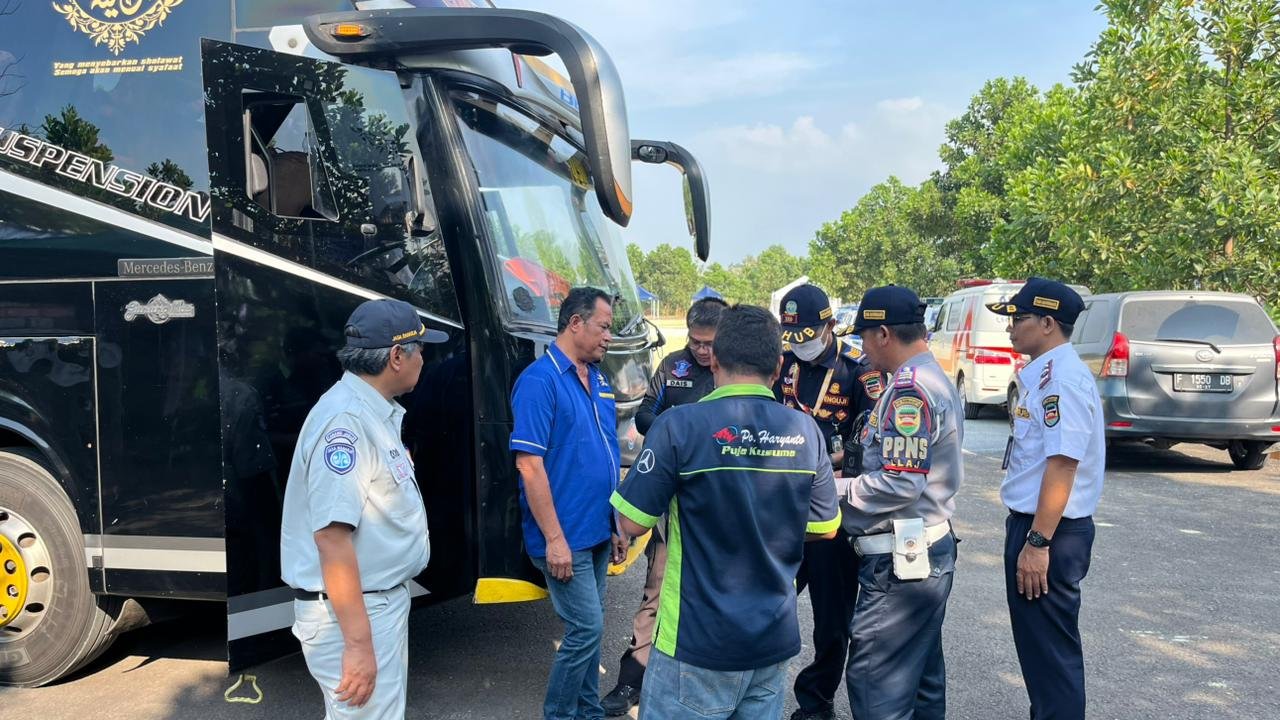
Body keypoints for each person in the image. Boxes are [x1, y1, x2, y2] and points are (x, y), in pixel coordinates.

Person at [610, 303, 842, 720]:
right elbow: (825, 527)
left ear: (714, 358)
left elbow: (630, 521)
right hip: (770, 645)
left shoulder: (678, 426)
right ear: (777, 368)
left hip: (694, 643)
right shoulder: (804, 431)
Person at [280, 298, 448, 718]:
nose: (424, 358)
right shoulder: (347, 424)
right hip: (356, 615)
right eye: (420, 348)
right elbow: (332, 538)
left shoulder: (370, 412)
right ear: (396, 356)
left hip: (374, 605)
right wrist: (358, 645)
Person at [841, 285, 963, 720]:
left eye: (863, 337)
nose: (862, 347)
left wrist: (832, 491)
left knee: (877, 683)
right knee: (920, 684)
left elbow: (899, 484)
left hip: (901, 561)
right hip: (921, 552)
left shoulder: (910, 391)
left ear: (884, 334)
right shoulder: (930, 378)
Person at [602, 297, 727, 716]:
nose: (702, 351)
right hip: (673, 498)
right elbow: (643, 418)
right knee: (657, 589)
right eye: (695, 341)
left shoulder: (734, 369)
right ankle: (631, 680)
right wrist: (685, 431)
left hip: (722, 503)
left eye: (709, 344)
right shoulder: (674, 366)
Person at [986, 278, 1103, 720]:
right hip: (1039, 525)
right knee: (1040, 655)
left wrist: (1036, 544)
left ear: (1048, 323)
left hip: (1049, 531)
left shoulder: (1061, 382)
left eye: (1019, 319)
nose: (1011, 328)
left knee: (1051, 659)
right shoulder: (1045, 375)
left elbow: (1063, 465)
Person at [510, 287, 629, 720]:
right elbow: (529, 466)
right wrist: (554, 539)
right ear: (575, 323)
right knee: (585, 628)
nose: (609, 337)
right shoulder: (539, 382)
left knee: (591, 633)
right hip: (566, 538)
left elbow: (605, 457)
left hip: (597, 530)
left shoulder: (596, 378)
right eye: (604, 327)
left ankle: (589, 712)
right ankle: (560, 715)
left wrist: (615, 524)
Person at [774, 284, 883, 720]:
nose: (800, 345)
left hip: (830, 513)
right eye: (792, 336)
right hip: (782, 509)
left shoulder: (859, 373)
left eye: (808, 334)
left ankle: (816, 702)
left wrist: (827, 460)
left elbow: (866, 448)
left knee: (832, 620)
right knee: (768, 600)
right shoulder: (782, 365)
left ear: (830, 325)